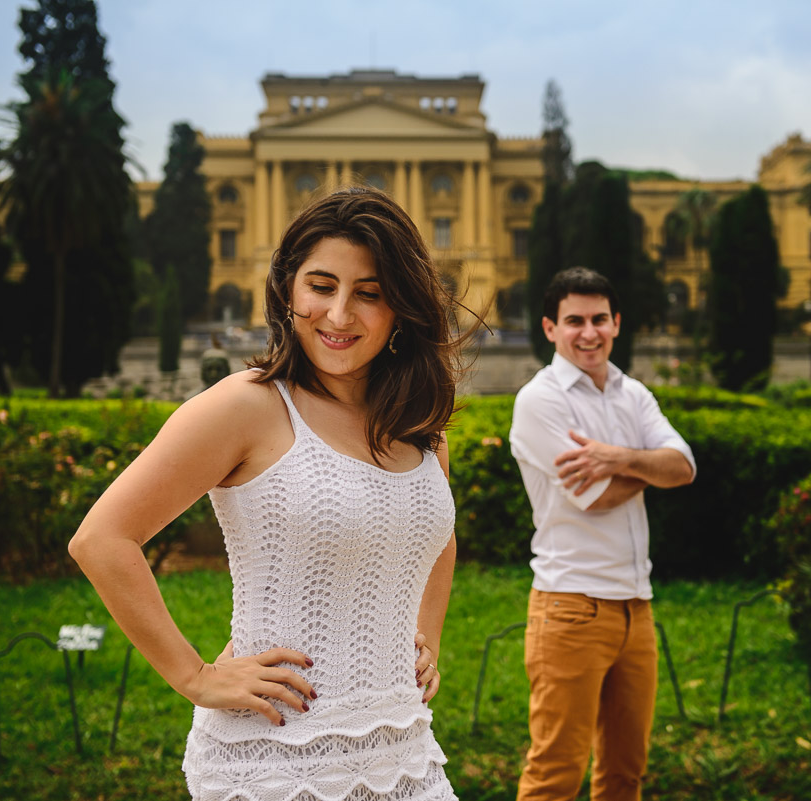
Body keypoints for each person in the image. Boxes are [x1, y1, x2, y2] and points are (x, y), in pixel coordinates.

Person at [69, 187, 463, 801]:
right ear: (287, 291)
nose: (338, 314)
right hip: (274, 756)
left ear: (400, 309)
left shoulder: (419, 424)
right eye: (321, 286)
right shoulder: (247, 406)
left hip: (403, 750)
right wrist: (195, 676)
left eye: (369, 293)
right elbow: (102, 539)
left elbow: (438, 538)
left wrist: (427, 638)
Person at [509, 267, 696, 801]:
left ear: (616, 323)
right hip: (571, 609)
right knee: (554, 776)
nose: (588, 332)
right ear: (550, 328)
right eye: (574, 321)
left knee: (624, 775)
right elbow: (597, 497)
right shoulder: (540, 401)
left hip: (637, 608)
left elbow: (683, 467)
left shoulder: (631, 393)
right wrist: (648, 469)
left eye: (598, 319)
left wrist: (614, 458)